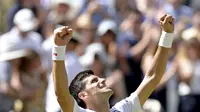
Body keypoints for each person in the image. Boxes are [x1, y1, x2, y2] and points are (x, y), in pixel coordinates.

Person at [52, 14, 174, 112]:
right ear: (83, 95)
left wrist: (167, 35)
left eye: (98, 78)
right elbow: (62, 95)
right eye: (94, 81)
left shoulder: (124, 108)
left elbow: (153, 77)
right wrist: (59, 48)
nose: (102, 80)